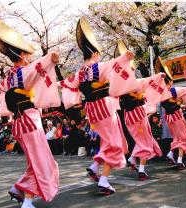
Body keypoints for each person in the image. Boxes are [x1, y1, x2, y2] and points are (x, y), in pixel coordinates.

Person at [58, 16, 136, 195]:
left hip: (91, 110)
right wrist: (125, 57)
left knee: (107, 140)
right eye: (98, 54)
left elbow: (67, 86)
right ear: (94, 54)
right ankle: (104, 180)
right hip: (104, 106)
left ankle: (95, 167)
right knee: (115, 143)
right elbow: (114, 64)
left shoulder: (79, 73)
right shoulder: (97, 67)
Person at [0, 17, 60, 207]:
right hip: (30, 121)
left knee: (34, 162)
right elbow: (38, 66)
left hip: (20, 124)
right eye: (27, 54)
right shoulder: (23, 72)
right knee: (42, 162)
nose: (29, 57)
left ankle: (18, 188)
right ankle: (27, 201)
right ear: (21, 54)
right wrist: (50, 58)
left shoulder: (9, 77)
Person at [115, 40, 163, 180]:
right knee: (145, 141)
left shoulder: (119, 84)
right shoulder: (131, 83)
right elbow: (146, 81)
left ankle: (133, 159)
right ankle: (141, 169)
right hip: (137, 114)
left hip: (128, 117)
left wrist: (157, 77)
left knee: (141, 140)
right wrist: (159, 76)